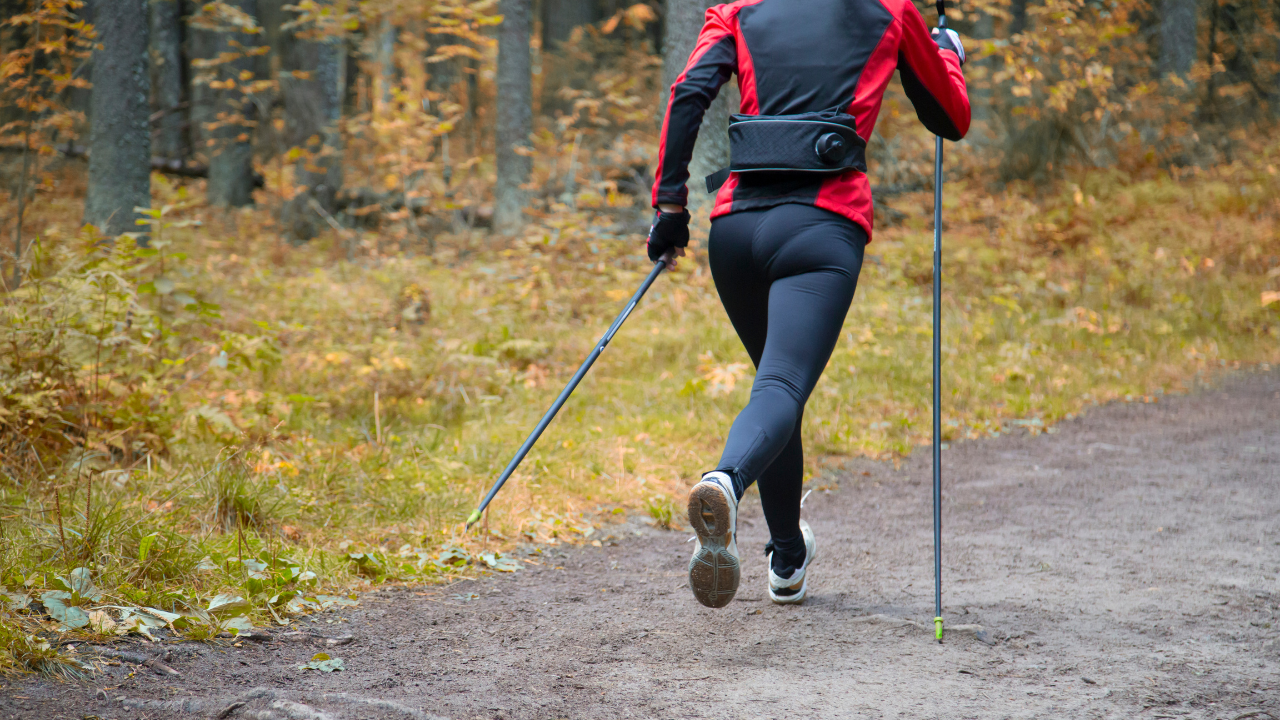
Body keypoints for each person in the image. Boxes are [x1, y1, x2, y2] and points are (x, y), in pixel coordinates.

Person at [647, 0, 970, 608]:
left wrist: (669, 207)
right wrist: (948, 52)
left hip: (737, 230)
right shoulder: (891, 11)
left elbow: (688, 92)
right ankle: (725, 480)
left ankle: (788, 559)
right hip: (821, 228)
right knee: (781, 385)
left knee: (775, 388)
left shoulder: (737, 9)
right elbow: (950, 118)